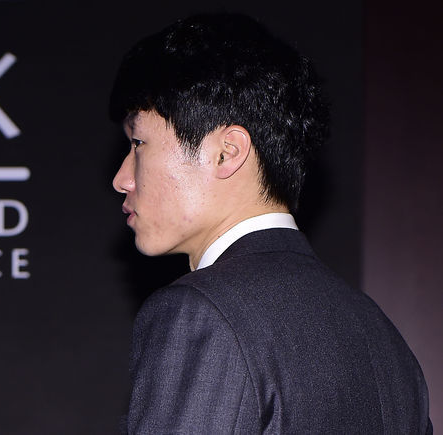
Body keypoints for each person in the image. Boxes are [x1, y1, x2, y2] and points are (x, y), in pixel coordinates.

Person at [109, 12, 432, 434]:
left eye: (138, 143)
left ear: (226, 152)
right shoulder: (384, 341)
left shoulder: (201, 314)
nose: (122, 179)